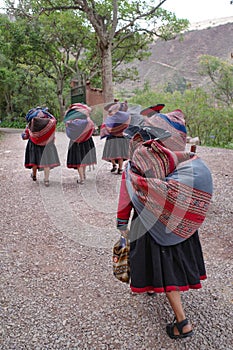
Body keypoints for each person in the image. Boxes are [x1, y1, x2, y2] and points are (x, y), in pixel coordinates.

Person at [116, 124, 213, 339]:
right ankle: (154, 287)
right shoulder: (172, 159)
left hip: (149, 225)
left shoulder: (132, 170)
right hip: (176, 221)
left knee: (165, 267)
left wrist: (122, 225)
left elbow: (125, 202)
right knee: (171, 261)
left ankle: (182, 322)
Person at [21, 106, 60, 187]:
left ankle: (34, 175)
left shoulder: (31, 122)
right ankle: (46, 180)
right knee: (46, 163)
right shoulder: (50, 122)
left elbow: (25, 135)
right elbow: (53, 132)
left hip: (33, 144)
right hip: (47, 145)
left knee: (34, 161)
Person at [64, 103, 97, 184]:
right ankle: (84, 175)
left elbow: (67, 128)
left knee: (78, 159)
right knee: (84, 158)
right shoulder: (87, 121)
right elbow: (93, 128)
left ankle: (81, 178)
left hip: (75, 142)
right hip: (87, 141)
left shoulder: (71, 122)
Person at [100, 100, 131, 174]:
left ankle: (114, 165)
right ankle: (120, 168)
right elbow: (126, 126)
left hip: (111, 137)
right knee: (120, 154)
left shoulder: (111, 117)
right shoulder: (126, 117)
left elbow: (106, 127)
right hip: (121, 137)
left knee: (111, 153)